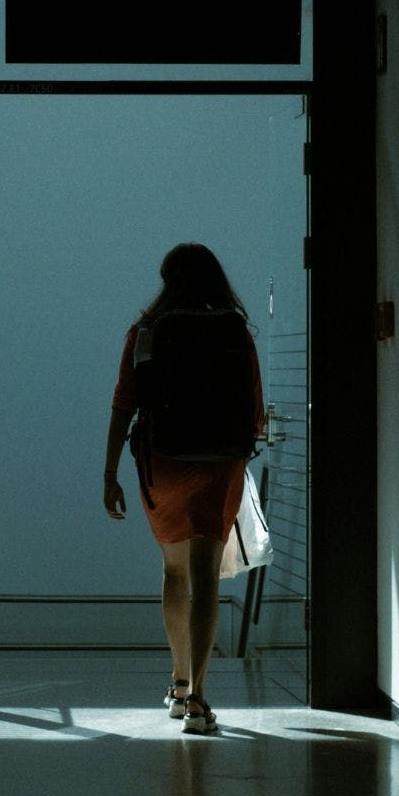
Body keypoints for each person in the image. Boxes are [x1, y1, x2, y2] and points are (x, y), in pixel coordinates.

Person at [102, 243, 264, 735]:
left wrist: (109, 474)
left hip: (163, 463)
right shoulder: (236, 331)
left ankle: (176, 683)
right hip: (220, 463)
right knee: (207, 578)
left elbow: (123, 404)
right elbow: (254, 412)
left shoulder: (147, 331)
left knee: (174, 572)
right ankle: (198, 701)